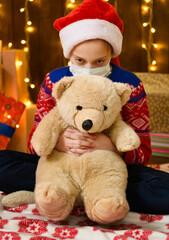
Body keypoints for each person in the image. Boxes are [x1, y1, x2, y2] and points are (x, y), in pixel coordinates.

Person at [1, 0, 169, 215]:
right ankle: (77, 193)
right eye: (80, 60)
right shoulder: (55, 81)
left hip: (107, 169)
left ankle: (83, 194)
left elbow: (143, 152)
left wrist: (110, 146)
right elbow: (35, 144)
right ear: (69, 54)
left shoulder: (129, 85)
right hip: (60, 167)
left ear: (111, 54)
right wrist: (59, 143)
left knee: (163, 189)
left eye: (100, 61)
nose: (89, 68)